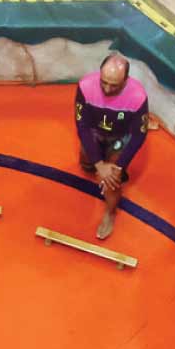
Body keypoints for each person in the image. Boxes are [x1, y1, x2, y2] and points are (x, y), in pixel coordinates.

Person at [72, 54, 150, 239]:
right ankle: (93, 164)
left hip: (120, 138)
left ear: (126, 80)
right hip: (94, 132)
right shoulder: (85, 86)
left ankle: (110, 212)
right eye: (103, 82)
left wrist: (118, 167)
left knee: (112, 180)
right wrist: (99, 164)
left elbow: (138, 135)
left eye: (114, 85)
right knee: (87, 164)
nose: (107, 89)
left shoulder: (138, 96)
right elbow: (82, 126)